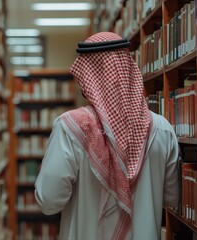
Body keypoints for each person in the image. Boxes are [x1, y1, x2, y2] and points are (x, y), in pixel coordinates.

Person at [34, 32, 180, 240]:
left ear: (87, 79)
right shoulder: (162, 129)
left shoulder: (71, 127)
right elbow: (172, 198)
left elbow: (49, 201)